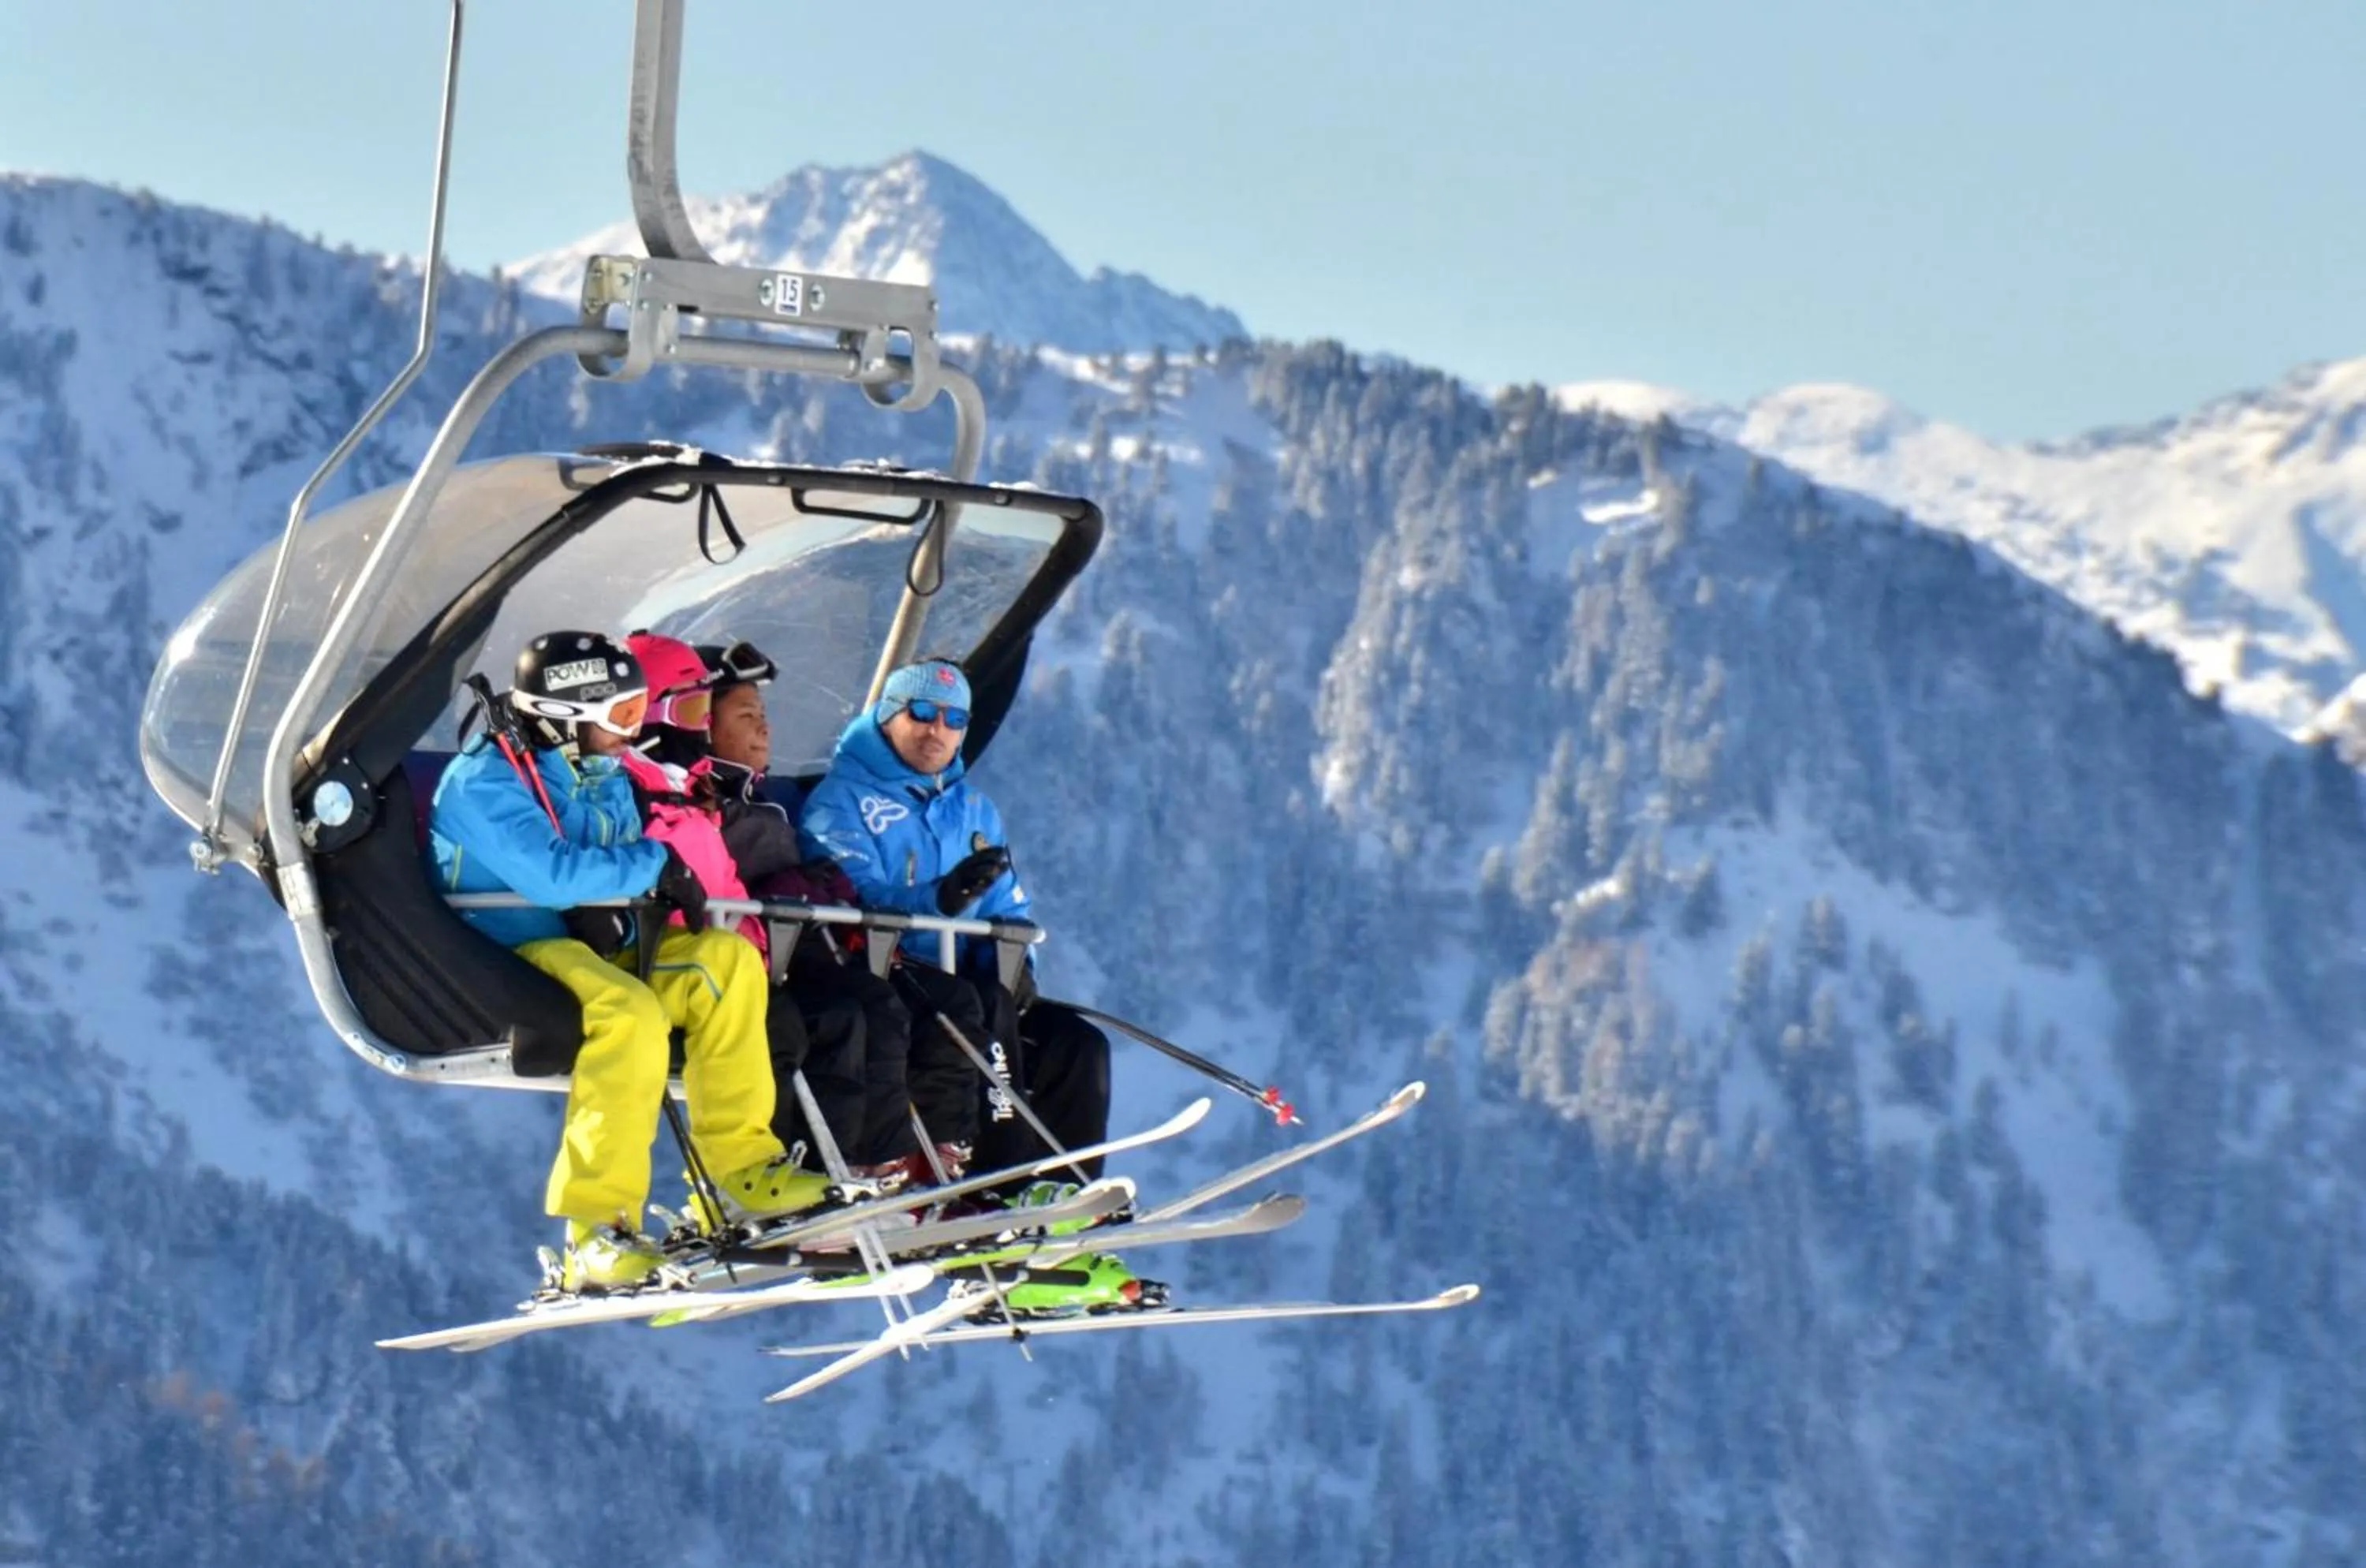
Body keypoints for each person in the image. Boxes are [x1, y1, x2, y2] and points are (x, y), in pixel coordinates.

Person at [427, 630, 829, 1292]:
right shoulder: (484, 782)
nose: (632, 731)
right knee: (630, 1015)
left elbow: (612, 852)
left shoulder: (598, 769)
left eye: (638, 711)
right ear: (563, 717)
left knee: (726, 964)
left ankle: (742, 1171)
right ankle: (596, 1230)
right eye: (619, 716)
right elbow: (554, 877)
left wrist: (654, 874)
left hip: (594, 938)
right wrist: (656, 865)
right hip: (510, 947)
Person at [676, 638, 981, 1184]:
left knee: (888, 1005)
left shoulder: (762, 801)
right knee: (837, 1018)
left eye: (764, 715)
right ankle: (832, 1170)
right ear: (701, 726)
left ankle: (915, 1162)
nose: (765, 729)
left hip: (796, 952)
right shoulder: (700, 808)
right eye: (747, 717)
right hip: (753, 962)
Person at [798, 657, 1114, 1184]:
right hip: (885, 976)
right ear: (887, 715)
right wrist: (937, 900)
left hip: (961, 982)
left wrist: (1016, 962)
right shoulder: (839, 802)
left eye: (955, 720)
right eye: (922, 712)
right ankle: (1000, 1183)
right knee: (981, 1006)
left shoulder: (974, 809)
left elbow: (1008, 906)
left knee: (1075, 1043)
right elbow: (856, 898)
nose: (937, 731)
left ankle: (1070, 1197)